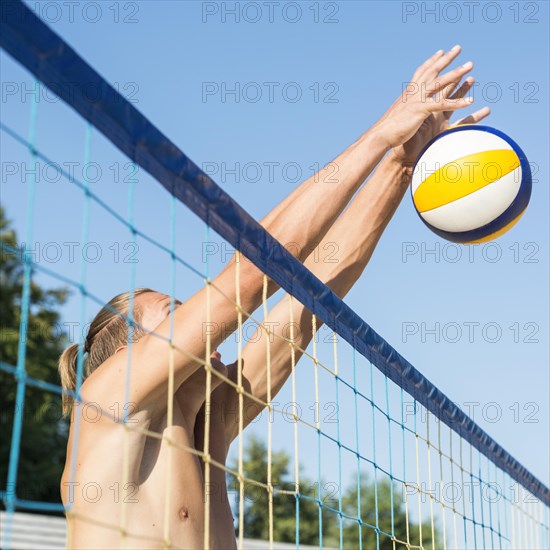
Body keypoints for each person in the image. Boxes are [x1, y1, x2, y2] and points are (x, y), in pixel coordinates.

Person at [58, 46, 489, 549]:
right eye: (175, 315)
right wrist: (382, 132)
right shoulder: (109, 398)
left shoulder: (209, 419)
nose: (204, 326)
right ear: (130, 351)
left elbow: (316, 293)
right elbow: (249, 276)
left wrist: (402, 161)